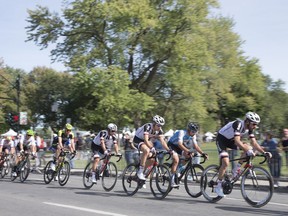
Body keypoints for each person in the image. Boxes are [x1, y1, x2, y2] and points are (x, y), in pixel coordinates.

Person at [214, 111, 272, 197]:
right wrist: (247, 151)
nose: (255, 127)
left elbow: (254, 143)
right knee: (225, 162)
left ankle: (236, 169)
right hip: (221, 139)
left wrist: (264, 152)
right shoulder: (238, 124)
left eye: (256, 124)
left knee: (249, 147)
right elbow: (237, 141)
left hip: (230, 140)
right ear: (247, 121)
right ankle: (218, 186)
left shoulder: (250, 129)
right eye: (254, 124)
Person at [133, 115, 178, 187]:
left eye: (161, 126)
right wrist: (151, 148)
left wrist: (169, 150)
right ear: (154, 123)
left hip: (147, 141)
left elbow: (163, 142)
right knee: (147, 150)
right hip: (138, 140)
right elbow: (145, 140)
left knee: (152, 159)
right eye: (159, 125)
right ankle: (140, 172)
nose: (160, 127)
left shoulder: (159, 131)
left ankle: (142, 174)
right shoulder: (148, 127)